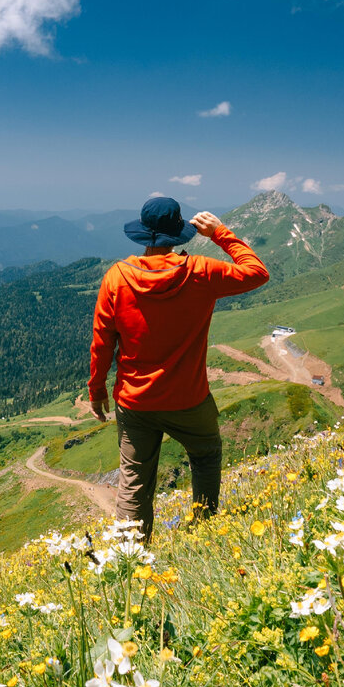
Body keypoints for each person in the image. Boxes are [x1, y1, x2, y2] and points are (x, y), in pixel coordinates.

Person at [87, 196, 269, 539]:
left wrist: (96, 391)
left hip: (135, 401)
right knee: (205, 456)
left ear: (143, 234)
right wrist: (220, 233)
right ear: (178, 232)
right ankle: (204, 531)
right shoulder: (201, 271)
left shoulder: (117, 278)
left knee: (134, 482)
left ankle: (131, 555)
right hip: (189, 398)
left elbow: (102, 343)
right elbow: (257, 272)